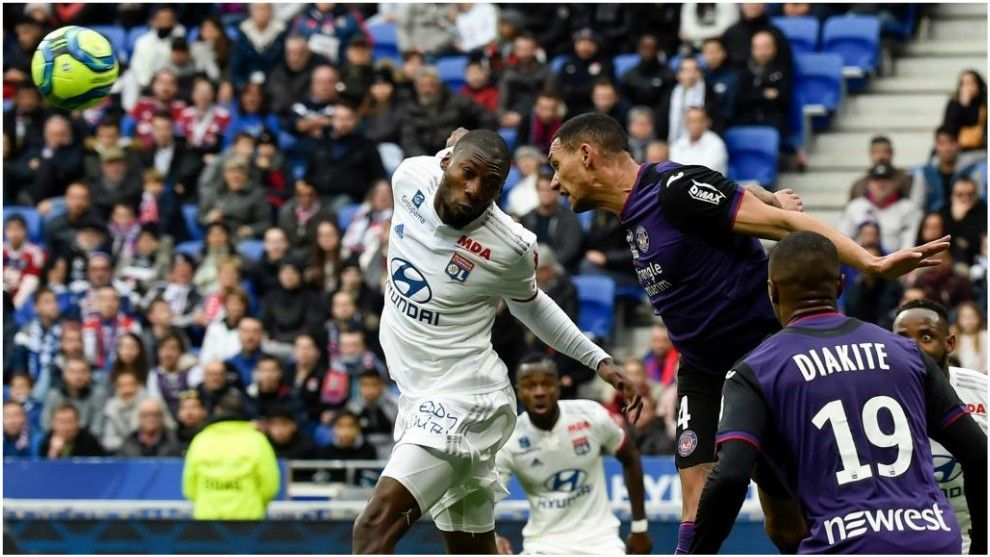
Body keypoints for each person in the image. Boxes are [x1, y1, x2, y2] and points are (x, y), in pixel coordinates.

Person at [545, 112, 952, 553]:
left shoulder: (673, 188)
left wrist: (872, 263)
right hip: (701, 368)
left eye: (555, 163)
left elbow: (785, 227)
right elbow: (732, 198)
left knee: (783, 518)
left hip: (763, 361)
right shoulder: (631, 212)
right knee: (694, 496)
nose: (552, 181)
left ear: (586, 155)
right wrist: (765, 196)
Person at [351, 128, 640, 554]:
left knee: (372, 529)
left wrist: (598, 360)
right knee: (471, 550)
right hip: (417, 393)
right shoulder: (409, 176)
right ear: (447, 162)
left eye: (490, 185)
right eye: (467, 173)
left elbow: (532, 306)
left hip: (465, 398)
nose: (473, 191)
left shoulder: (510, 245)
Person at [690, 231, 987, 554]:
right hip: (934, 542)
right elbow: (979, 453)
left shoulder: (756, 370)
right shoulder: (905, 353)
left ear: (772, 291)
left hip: (845, 543)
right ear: (841, 285)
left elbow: (731, 476)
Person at [495, 356, 652, 554]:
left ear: (559, 386)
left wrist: (639, 528)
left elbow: (630, 456)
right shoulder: (511, 438)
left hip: (601, 542)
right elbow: (484, 495)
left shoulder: (591, 415)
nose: (539, 392)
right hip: (543, 546)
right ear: (518, 391)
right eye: (530, 386)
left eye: (547, 384)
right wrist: (491, 537)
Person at [893, 298, 988, 553]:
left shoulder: (983, 391)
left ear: (949, 343)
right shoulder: (874, 400)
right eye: (902, 339)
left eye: (926, 337)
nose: (912, 349)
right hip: (912, 543)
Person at [183, 391, 280, 519]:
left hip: (207, 522)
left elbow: (189, 488)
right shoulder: (257, 440)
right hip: (248, 520)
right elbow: (270, 486)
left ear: (217, 411)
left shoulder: (201, 440)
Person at [838, 163, 923, 252]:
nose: (881, 184)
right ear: (868, 184)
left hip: (896, 261)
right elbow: (843, 241)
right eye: (876, 179)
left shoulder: (908, 208)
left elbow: (908, 245)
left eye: (886, 179)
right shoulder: (855, 206)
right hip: (859, 261)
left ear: (896, 183)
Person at [732, 30, 791, 140]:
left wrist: (754, 94)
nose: (762, 51)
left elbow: (783, 97)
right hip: (746, 119)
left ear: (774, 48)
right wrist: (763, 94)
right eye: (758, 47)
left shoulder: (782, 70)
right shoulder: (744, 72)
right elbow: (739, 98)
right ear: (752, 49)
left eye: (766, 47)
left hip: (774, 120)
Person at [520, 172, 584, 272]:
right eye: (542, 190)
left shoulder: (569, 218)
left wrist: (546, 264)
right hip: (531, 267)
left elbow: (570, 250)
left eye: (550, 190)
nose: (546, 194)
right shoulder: (527, 218)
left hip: (559, 268)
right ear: (537, 191)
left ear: (558, 192)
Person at [657, 57, 723, 145]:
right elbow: (663, 121)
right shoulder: (671, 93)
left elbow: (717, 121)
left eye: (695, 70)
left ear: (700, 73)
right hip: (674, 144)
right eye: (686, 70)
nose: (691, 74)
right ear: (678, 75)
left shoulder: (709, 92)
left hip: (703, 143)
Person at [847, 136, 913, 201]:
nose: (881, 156)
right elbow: (852, 209)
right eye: (876, 152)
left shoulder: (906, 180)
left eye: (886, 151)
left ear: (892, 153)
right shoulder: (859, 185)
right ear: (870, 154)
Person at [669, 107, 729, 176]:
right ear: (685, 123)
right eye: (691, 121)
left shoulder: (716, 144)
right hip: (683, 184)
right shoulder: (678, 144)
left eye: (699, 120)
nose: (695, 125)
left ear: (708, 122)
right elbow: (673, 169)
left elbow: (704, 172)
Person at [941, 69, 987, 152]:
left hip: (979, 149)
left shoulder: (984, 103)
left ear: (978, 85)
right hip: (955, 148)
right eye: (964, 84)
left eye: (971, 83)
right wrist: (963, 105)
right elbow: (949, 128)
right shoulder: (954, 103)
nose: (968, 87)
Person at [40, 403, 107, 458]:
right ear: (53, 424)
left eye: (68, 422)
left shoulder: (89, 440)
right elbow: (45, 471)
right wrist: (53, 452)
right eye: (60, 422)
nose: (65, 427)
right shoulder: (47, 440)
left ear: (77, 423)